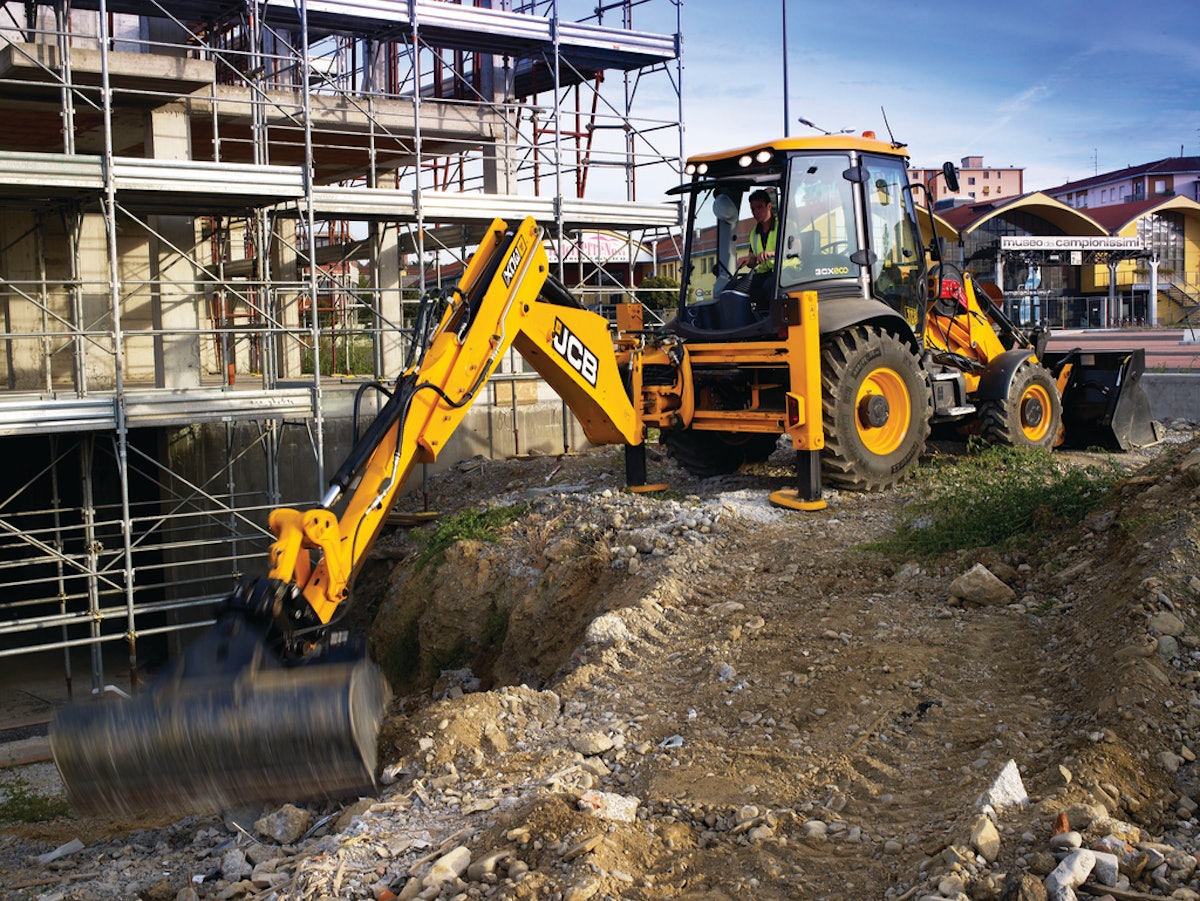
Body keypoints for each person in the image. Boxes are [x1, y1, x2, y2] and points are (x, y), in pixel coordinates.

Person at [737, 189, 777, 306]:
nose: (756, 212)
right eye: (753, 209)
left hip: (785, 273)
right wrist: (747, 260)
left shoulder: (784, 226)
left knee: (769, 287)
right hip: (764, 273)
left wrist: (771, 253)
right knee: (738, 287)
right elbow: (753, 259)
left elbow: (795, 250)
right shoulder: (754, 233)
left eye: (759, 207)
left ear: (769, 206)